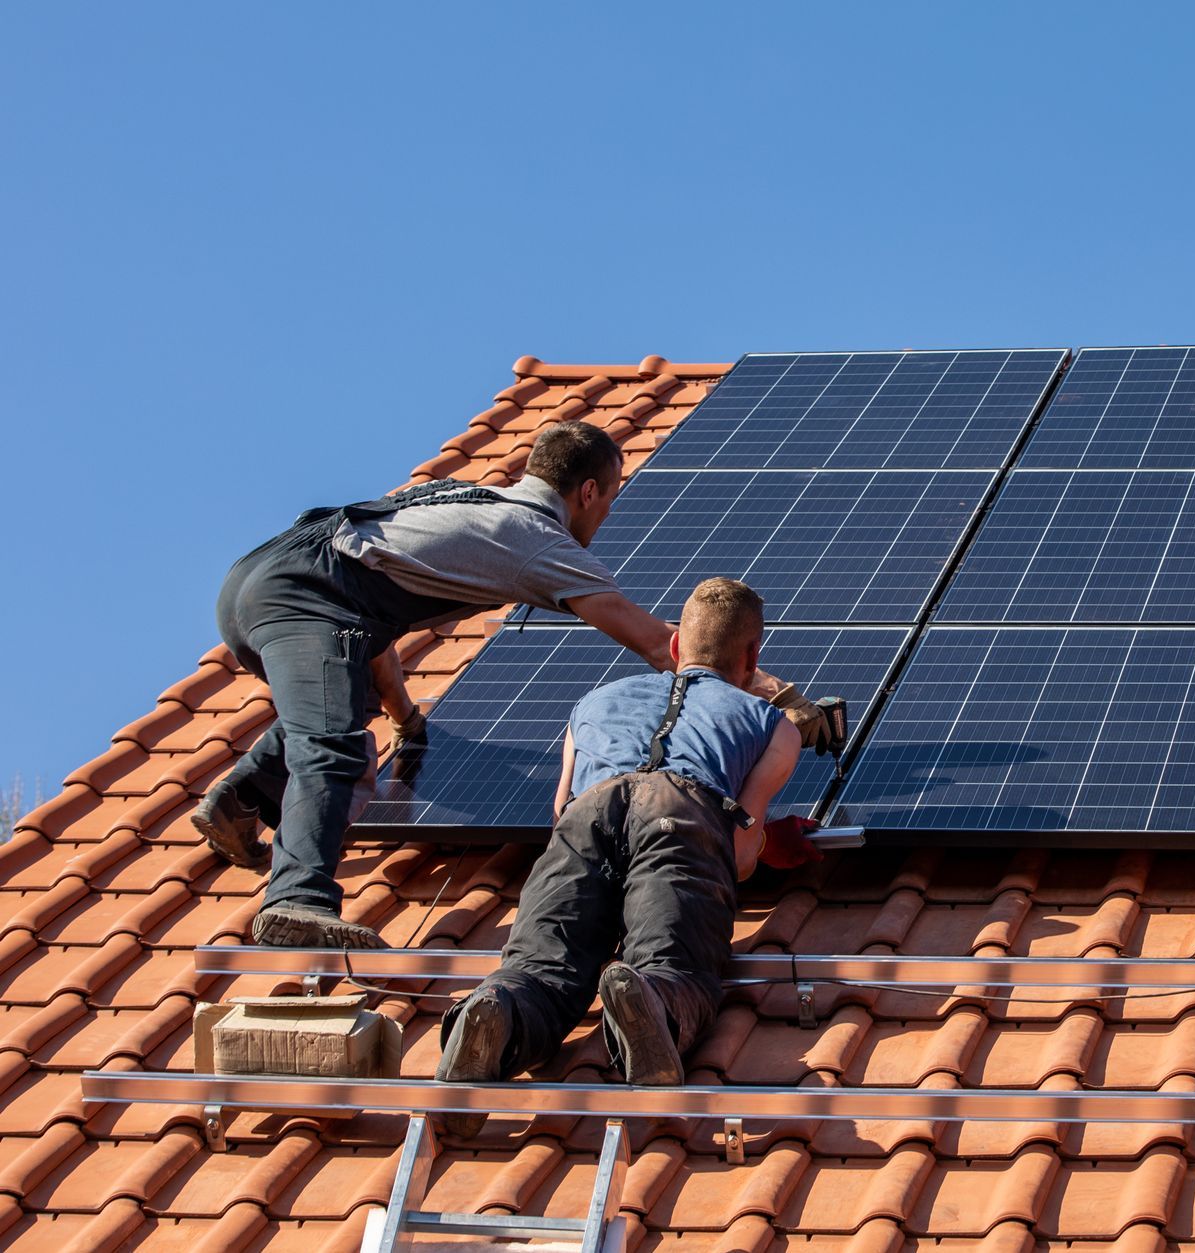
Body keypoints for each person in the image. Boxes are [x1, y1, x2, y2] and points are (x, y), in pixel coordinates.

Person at [194, 422, 838, 949]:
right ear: (587, 491)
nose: (608, 511)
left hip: (267, 580)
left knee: (340, 701)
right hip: (304, 597)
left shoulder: (461, 500)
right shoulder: (534, 540)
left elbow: (369, 636)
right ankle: (298, 903)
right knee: (330, 745)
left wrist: (406, 720)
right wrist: (780, 696)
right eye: (611, 496)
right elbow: (658, 643)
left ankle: (241, 800)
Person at [434, 577, 823, 1133]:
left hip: (587, 813)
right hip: (683, 811)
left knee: (540, 968)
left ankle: (500, 1009)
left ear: (673, 647)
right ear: (752, 656)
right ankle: (652, 999)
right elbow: (738, 853)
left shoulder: (592, 702)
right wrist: (760, 848)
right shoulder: (773, 725)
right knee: (676, 964)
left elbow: (560, 812)